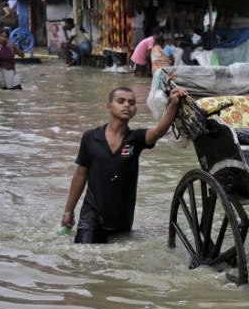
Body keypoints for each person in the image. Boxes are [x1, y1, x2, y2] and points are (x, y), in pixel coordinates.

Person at [60, 85, 189, 244]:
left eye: (132, 102)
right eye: (121, 101)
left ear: (135, 110)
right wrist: (68, 211)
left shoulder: (136, 138)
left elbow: (157, 132)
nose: (127, 105)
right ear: (109, 106)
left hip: (121, 219)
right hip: (91, 216)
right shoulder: (90, 138)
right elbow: (80, 174)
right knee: (83, 256)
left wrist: (173, 104)